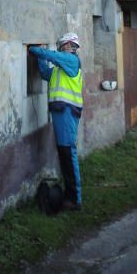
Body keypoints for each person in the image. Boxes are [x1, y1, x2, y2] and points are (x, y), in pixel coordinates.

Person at [29, 33, 83, 210]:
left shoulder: (71, 61)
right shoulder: (60, 70)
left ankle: (74, 198)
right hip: (61, 113)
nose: (61, 48)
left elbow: (52, 56)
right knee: (64, 153)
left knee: (68, 154)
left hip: (67, 113)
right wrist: (40, 59)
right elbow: (46, 73)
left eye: (62, 45)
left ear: (68, 45)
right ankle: (71, 195)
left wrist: (35, 49)